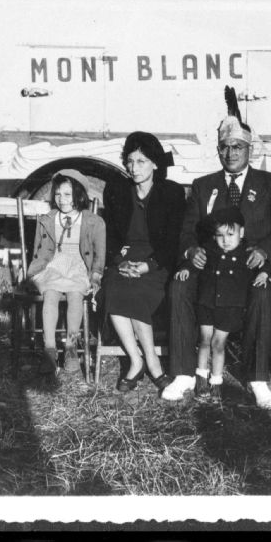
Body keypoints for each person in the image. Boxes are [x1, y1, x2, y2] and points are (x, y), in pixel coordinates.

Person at [162, 89, 271, 408]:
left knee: (262, 293)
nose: (231, 152)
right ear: (218, 150)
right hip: (209, 268)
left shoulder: (269, 184)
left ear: (250, 149)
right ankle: (184, 373)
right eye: (225, 147)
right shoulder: (203, 186)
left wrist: (264, 252)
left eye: (237, 147)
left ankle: (257, 378)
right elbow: (187, 231)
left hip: (249, 267)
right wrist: (190, 252)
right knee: (179, 286)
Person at [101, 131, 185, 393]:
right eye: (130, 161)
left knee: (137, 290)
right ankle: (136, 360)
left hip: (157, 260)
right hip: (125, 257)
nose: (133, 168)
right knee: (114, 287)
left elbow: (173, 241)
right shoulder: (117, 191)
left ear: (155, 164)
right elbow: (111, 235)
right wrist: (119, 262)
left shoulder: (171, 193)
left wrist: (149, 265)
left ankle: (152, 360)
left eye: (141, 161)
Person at [175, 207, 271, 402]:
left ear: (241, 233)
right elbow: (194, 263)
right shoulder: (209, 249)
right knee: (204, 340)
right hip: (207, 302)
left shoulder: (247, 253)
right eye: (220, 235)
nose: (225, 240)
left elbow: (266, 264)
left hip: (229, 306)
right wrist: (186, 268)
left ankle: (216, 381)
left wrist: (264, 273)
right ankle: (201, 377)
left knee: (218, 344)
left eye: (230, 234)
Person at [26, 169, 106, 375]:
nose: (62, 199)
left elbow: (99, 256)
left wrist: (96, 276)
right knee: (50, 295)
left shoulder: (94, 221)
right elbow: (38, 251)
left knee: (75, 295)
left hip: (79, 266)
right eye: (58, 194)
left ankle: (71, 347)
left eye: (68, 194)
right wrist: (34, 271)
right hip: (53, 265)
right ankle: (50, 349)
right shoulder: (48, 219)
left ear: (79, 195)